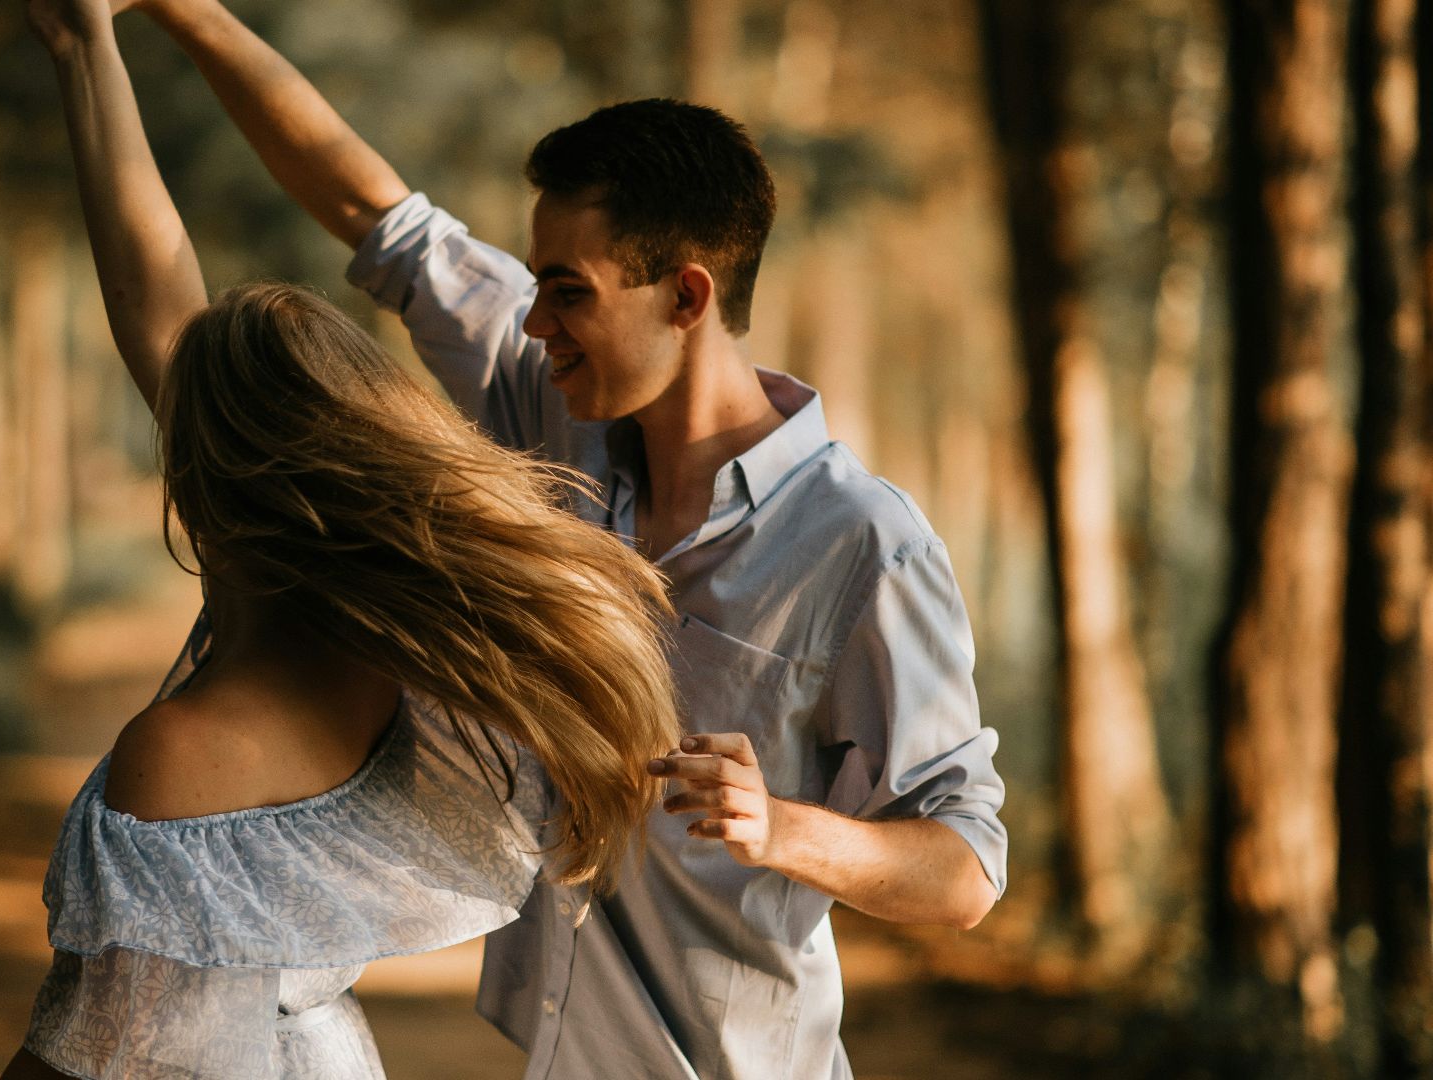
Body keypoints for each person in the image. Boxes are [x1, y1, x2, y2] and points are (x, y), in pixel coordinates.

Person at [122, 2, 1012, 1077]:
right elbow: (375, 212)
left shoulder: (863, 544)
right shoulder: (555, 420)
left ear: (687, 295)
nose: (534, 324)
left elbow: (964, 868)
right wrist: (183, 12)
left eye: (566, 292)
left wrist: (780, 827)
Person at [0, 2, 683, 1077]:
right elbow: (153, 293)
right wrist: (88, 46)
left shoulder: (183, 752)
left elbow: (99, 1055)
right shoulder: (417, 674)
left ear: (211, 477)